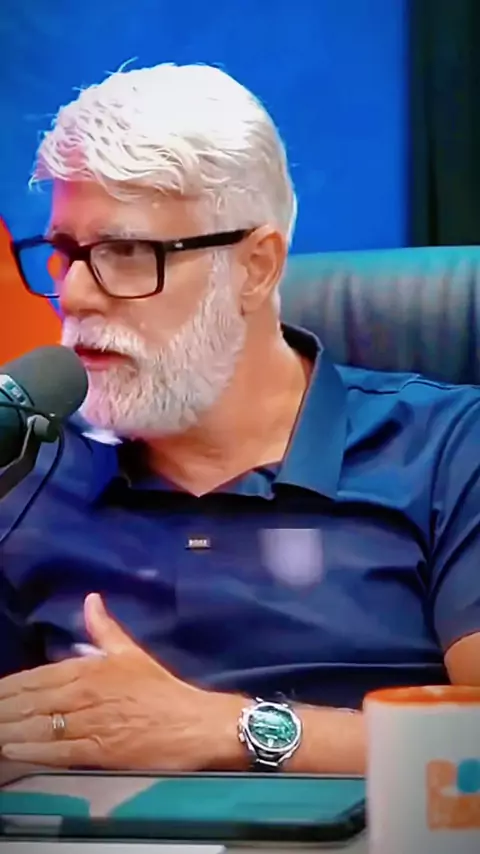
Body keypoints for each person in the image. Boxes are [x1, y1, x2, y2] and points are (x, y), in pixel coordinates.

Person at [0, 62, 479, 774]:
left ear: (256, 267)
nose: (74, 296)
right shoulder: (26, 469)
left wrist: (233, 729)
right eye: (65, 253)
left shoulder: (449, 451)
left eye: (125, 253)